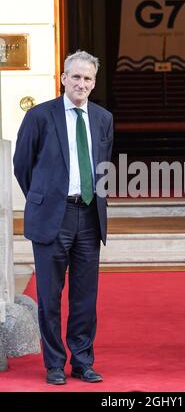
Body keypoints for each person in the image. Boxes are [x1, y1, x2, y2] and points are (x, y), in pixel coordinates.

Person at [13, 50, 113, 385]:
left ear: (93, 83)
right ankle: (54, 362)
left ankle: (82, 361)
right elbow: (22, 165)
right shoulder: (41, 116)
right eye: (76, 76)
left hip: (89, 216)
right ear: (63, 78)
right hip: (52, 217)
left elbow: (103, 165)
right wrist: (43, 199)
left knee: (85, 297)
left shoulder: (102, 118)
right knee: (50, 295)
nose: (81, 83)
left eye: (88, 78)